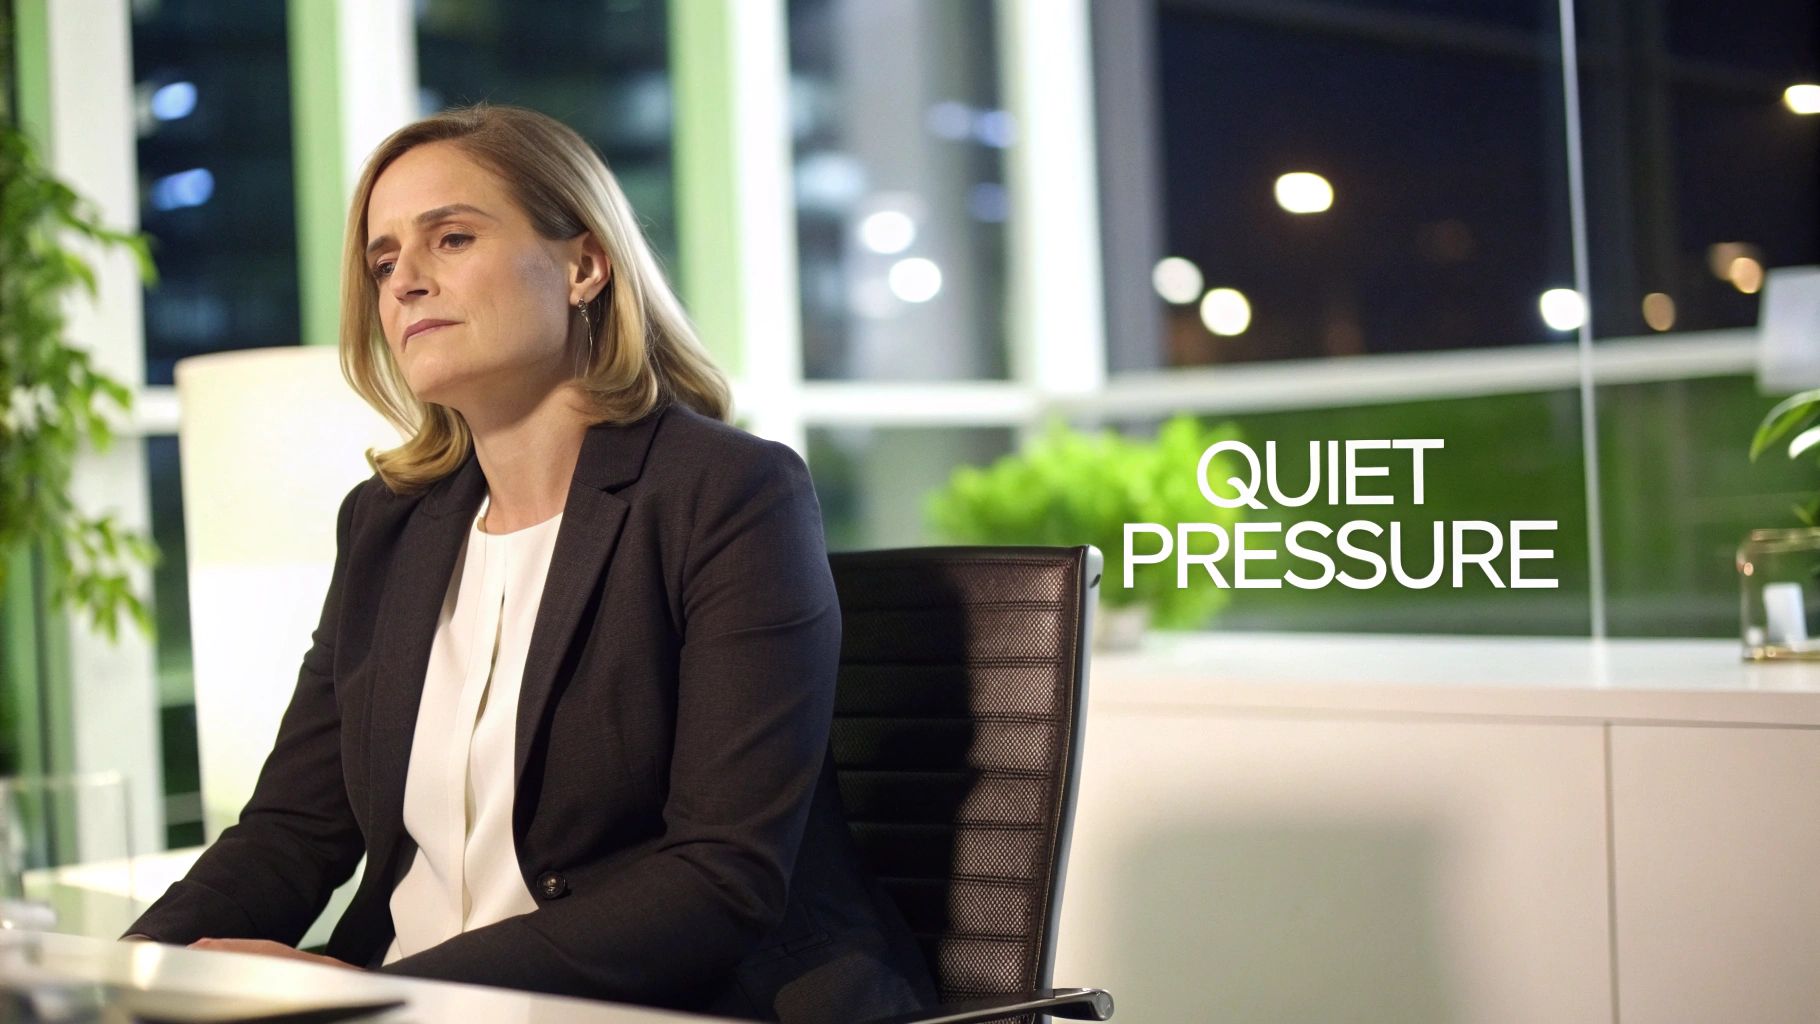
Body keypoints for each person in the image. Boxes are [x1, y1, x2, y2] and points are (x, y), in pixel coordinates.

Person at [122, 103, 938, 1024]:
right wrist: (125, 975)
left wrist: (390, 991)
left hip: (674, 1005)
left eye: (452, 238)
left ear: (584, 265)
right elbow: (293, 831)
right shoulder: (385, 529)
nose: (406, 284)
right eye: (384, 261)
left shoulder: (732, 494)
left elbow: (721, 878)